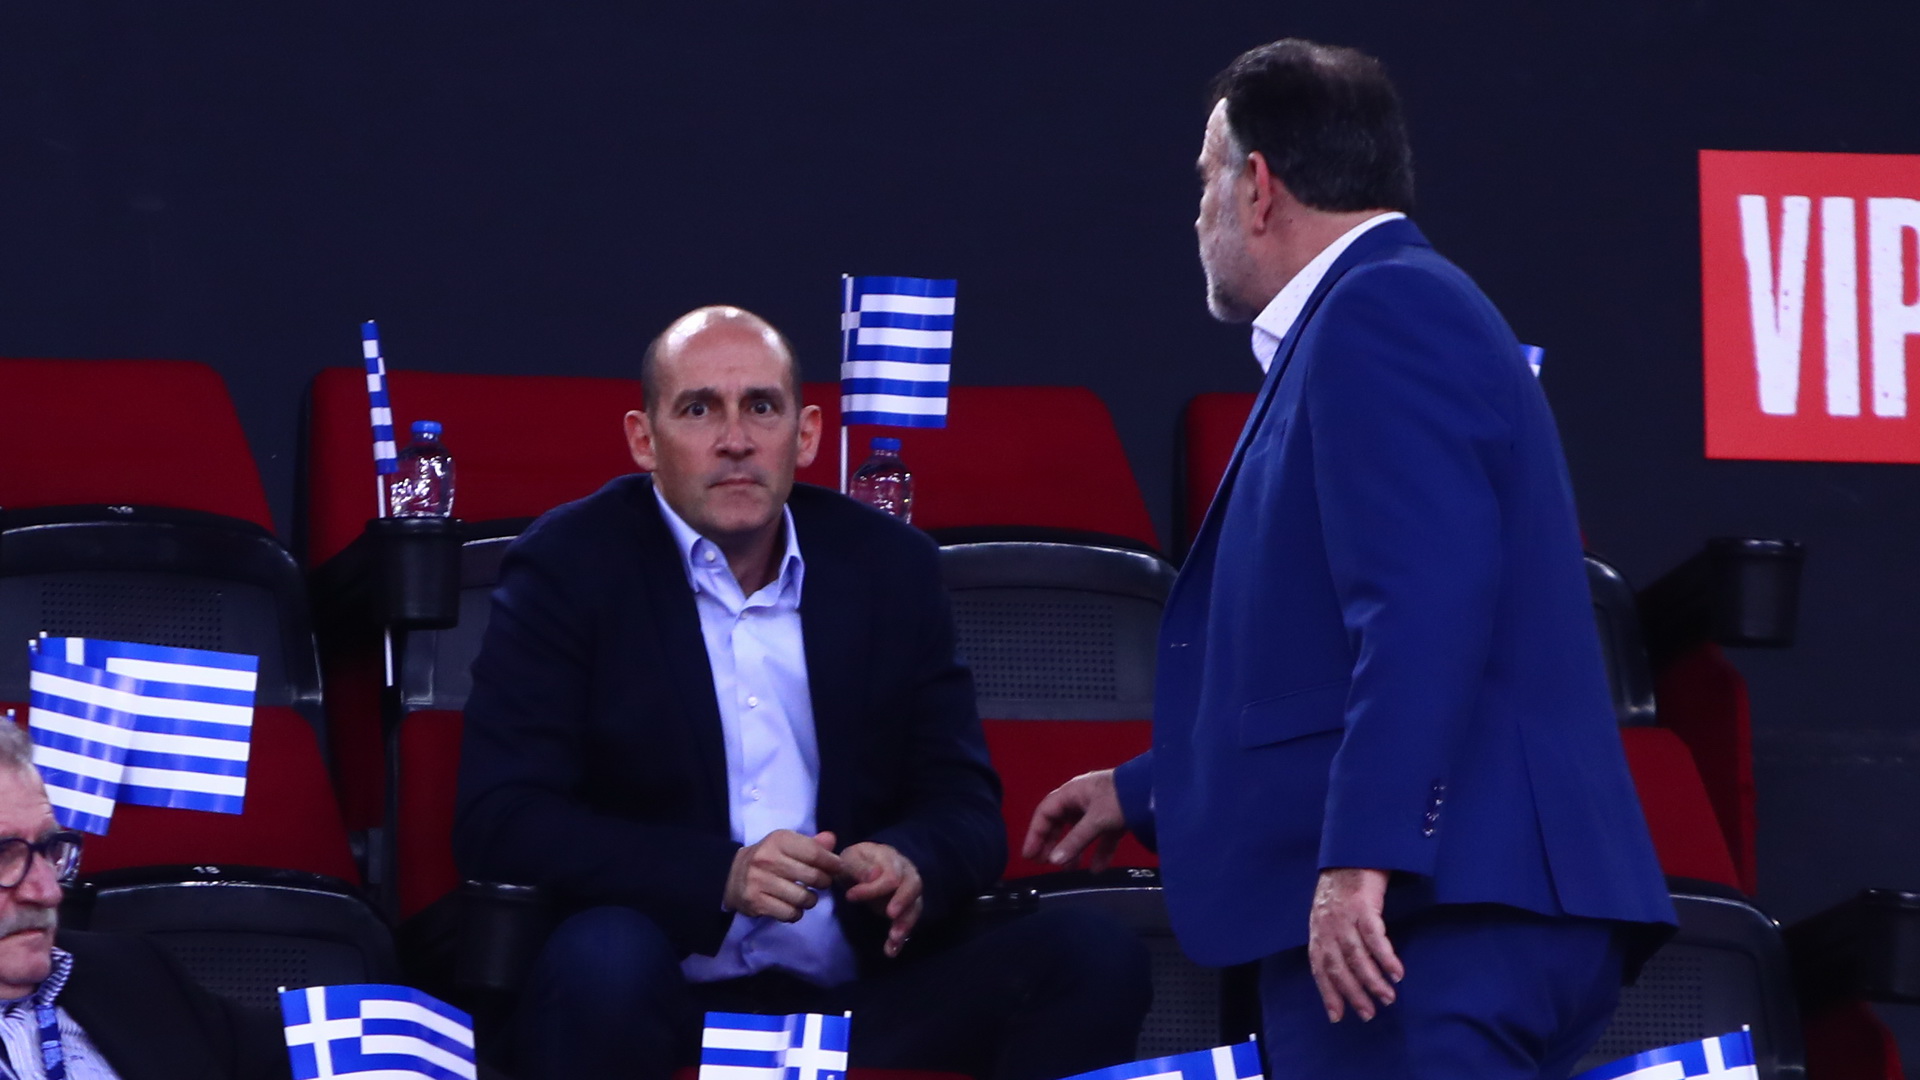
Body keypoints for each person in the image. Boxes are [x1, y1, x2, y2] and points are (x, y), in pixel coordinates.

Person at [1025, 40, 1676, 1080]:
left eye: (1204, 180)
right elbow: (1324, 662)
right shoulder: (1383, 310)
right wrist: (1152, 791)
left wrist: (1362, 857)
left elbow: (1423, 611)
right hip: (1454, 910)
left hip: (1428, 922)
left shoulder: (1382, 312)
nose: (1195, 217)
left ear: (1257, 187)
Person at [455, 306, 1150, 1080]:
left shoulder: (889, 567)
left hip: (856, 999)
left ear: (806, 433)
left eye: (761, 407)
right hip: (654, 994)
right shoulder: (569, 565)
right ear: (643, 440)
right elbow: (503, 819)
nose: (736, 440)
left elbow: (965, 807)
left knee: (1092, 955)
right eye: (698, 410)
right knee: (603, 959)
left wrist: (909, 860)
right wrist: (719, 875)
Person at [0, 722, 291, 1080]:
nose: (49, 892)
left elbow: (314, 1053)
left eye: (49, 849)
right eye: (2, 856)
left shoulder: (131, 971)